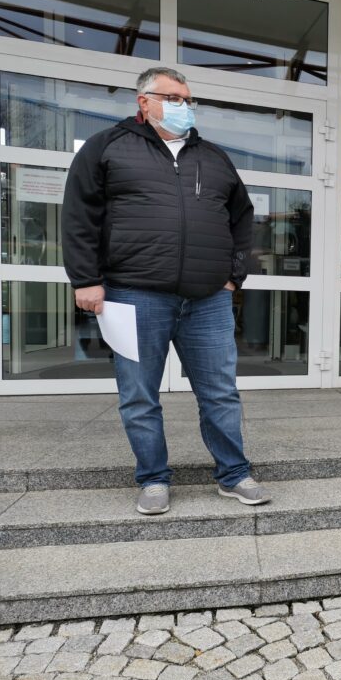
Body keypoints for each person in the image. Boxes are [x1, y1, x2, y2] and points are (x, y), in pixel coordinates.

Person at [61, 67, 269, 515]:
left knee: (220, 391)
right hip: (134, 294)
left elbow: (242, 218)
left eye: (188, 98)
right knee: (139, 394)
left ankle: (234, 474)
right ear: (144, 102)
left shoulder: (213, 156)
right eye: (174, 97)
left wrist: (234, 275)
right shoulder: (106, 147)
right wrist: (86, 279)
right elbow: (79, 216)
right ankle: (153, 479)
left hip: (207, 298)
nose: (184, 106)